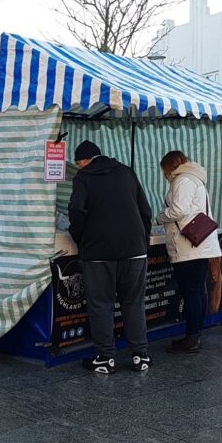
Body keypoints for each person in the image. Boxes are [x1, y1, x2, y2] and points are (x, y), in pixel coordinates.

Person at [68, 140, 152, 373]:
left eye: (78, 163)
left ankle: (105, 358)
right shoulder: (126, 172)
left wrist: (82, 238)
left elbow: (75, 210)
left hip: (98, 253)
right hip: (134, 251)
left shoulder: (83, 178)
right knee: (133, 302)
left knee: (101, 304)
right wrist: (141, 239)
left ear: (84, 161)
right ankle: (141, 355)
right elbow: (145, 210)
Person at [156, 151, 222, 354]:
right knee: (198, 291)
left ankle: (192, 337)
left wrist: (160, 217)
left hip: (189, 245)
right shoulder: (195, 178)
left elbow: (179, 209)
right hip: (200, 243)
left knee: (192, 292)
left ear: (168, 166)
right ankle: (195, 334)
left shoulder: (182, 180)